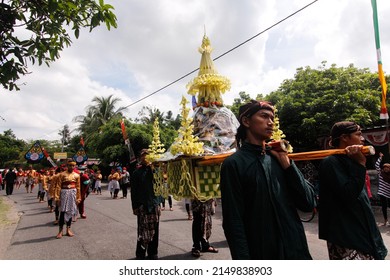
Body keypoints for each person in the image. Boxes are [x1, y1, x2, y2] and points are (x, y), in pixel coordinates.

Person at [220, 100, 316, 260]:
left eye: (272, 117)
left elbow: (308, 203)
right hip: (262, 252)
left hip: (296, 249)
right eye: (264, 116)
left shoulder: (279, 159)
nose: (270, 122)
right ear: (246, 121)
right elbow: (233, 220)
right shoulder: (234, 164)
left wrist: (289, 166)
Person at [318, 121, 387, 260]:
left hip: (364, 233)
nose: (362, 139)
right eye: (359, 134)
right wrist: (361, 164)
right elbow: (349, 194)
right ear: (344, 138)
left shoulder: (352, 160)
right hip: (346, 238)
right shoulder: (331, 163)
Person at [130, 149, 162, 260]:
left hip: (154, 205)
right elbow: (133, 191)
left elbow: (160, 186)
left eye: (147, 155)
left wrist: (160, 202)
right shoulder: (136, 173)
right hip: (142, 206)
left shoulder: (156, 170)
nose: (145, 157)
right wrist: (134, 206)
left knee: (155, 229)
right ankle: (141, 253)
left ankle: (153, 253)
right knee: (142, 230)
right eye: (143, 155)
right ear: (140, 158)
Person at [54, 160, 81, 239]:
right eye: (70, 165)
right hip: (64, 193)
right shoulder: (61, 175)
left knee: (70, 211)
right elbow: (58, 186)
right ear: (67, 166)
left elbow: (78, 187)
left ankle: (68, 229)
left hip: (72, 193)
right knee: (62, 212)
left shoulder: (77, 175)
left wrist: (78, 198)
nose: (72, 167)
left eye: (73, 166)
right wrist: (57, 197)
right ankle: (60, 231)